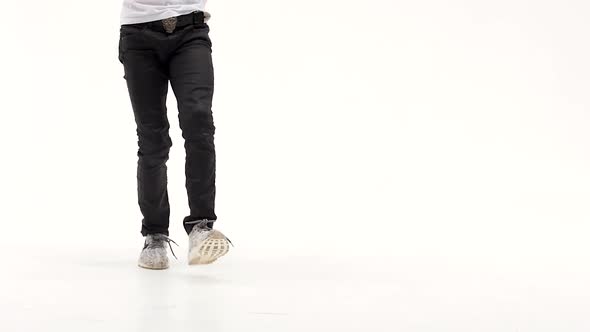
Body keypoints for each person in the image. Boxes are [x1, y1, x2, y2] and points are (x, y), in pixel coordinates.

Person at [118, 0, 231, 269]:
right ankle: (155, 235)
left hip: (190, 30)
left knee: (198, 120)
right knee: (153, 139)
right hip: (138, 35)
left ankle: (201, 227)